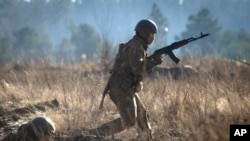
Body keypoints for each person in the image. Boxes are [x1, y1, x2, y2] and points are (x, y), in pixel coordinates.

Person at [89, 19, 163, 141]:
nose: (153, 37)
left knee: (141, 115)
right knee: (129, 120)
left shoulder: (137, 45)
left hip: (124, 86)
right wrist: (154, 62)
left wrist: (151, 61)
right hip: (120, 87)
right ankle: (94, 134)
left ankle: (146, 138)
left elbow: (138, 66)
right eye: (152, 34)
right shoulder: (137, 47)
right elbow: (138, 70)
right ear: (145, 34)